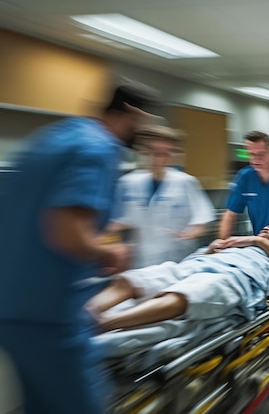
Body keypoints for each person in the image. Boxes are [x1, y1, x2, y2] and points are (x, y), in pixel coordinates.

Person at [0, 80, 160, 414]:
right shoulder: (98, 148)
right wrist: (109, 252)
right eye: (143, 125)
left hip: (12, 308)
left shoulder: (59, 136)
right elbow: (67, 233)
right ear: (130, 114)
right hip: (50, 315)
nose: (143, 136)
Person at [87, 224, 269, 331]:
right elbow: (202, 254)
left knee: (186, 294)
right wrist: (212, 249)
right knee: (135, 278)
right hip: (197, 264)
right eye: (265, 228)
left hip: (233, 276)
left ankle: (107, 323)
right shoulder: (241, 240)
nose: (266, 228)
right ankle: (88, 312)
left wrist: (257, 241)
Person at [108, 124, 216, 268]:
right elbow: (119, 220)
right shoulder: (129, 183)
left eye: (166, 153)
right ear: (144, 152)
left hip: (178, 261)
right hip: (141, 262)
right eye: (155, 153)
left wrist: (191, 233)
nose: (160, 159)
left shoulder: (185, 182)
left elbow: (202, 219)